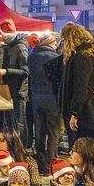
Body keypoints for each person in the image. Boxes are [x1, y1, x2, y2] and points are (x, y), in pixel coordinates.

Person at [59, 23, 94, 145]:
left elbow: (80, 87)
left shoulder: (82, 57)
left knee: (82, 148)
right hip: (88, 108)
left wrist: (75, 113)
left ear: (70, 38)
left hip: (85, 111)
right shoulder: (88, 54)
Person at [27, 33, 61, 173]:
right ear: (51, 43)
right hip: (51, 97)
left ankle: (41, 165)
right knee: (53, 132)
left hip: (36, 97)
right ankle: (51, 163)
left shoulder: (32, 56)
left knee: (39, 131)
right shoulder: (55, 57)